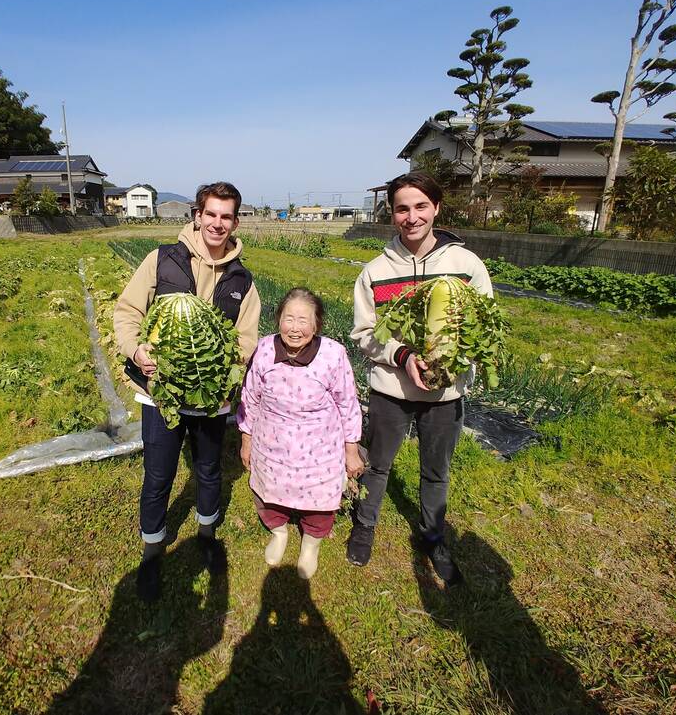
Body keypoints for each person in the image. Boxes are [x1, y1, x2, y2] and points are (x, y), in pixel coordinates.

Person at [113, 181, 261, 602]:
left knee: (209, 470)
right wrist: (138, 351)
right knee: (158, 474)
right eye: (210, 214)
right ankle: (152, 549)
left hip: (212, 399)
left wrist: (227, 372)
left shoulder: (241, 280)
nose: (217, 223)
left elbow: (246, 340)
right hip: (159, 394)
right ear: (197, 215)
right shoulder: (162, 260)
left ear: (235, 221)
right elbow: (126, 312)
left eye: (226, 216)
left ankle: (207, 535)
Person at [347, 172, 493, 584]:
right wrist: (403, 355)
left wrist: (454, 360)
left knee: (436, 470)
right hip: (391, 389)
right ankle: (365, 524)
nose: (411, 217)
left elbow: (483, 326)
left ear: (436, 208)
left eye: (420, 206)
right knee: (376, 464)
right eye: (401, 209)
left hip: (445, 394)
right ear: (391, 214)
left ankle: (433, 536)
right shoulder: (375, 271)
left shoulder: (466, 265)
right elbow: (363, 333)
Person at [237, 287, 363, 579]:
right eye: (288, 318)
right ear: (278, 319)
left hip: (318, 449)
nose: (295, 328)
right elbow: (251, 397)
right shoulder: (265, 349)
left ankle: (311, 543)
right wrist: (246, 440)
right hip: (272, 445)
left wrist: (351, 450)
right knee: (268, 491)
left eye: (303, 320)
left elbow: (347, 403)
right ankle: (279, 532)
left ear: (317, 325)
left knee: (319, 499)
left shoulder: (333, 354)